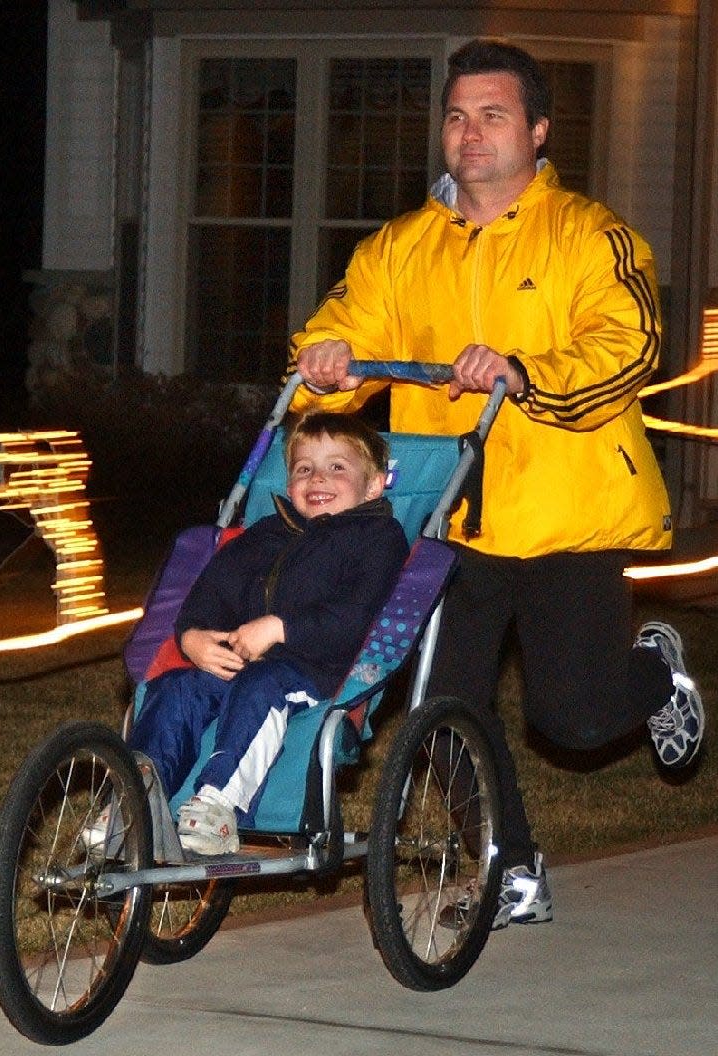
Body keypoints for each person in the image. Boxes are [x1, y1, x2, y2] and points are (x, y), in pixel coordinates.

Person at [290, 39, 704, 927]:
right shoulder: (401, 247)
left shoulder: (592, 236)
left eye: (492, 114)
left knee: (576, 719)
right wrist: (323, 356)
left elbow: (624, 346)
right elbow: (347, 321)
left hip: (567, 515)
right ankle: (508, 862)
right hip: (443, 520)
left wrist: (523, 367)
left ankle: (656, 678)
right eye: (454, 115)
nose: (468, 133)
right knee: (442, 708)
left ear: (538, 130)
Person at [114, 411, 410, 856]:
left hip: (319, 669)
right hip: (240, 658)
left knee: (262, 685)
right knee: (178, 688)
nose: (317, 478)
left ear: (372, 486)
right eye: (303, 468)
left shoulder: (377, 539)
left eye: (337, 467)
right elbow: (213, 589)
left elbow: (356, 617)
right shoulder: (268, 532)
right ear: (288, 482)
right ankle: (132, 801)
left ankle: (219, 804)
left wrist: (280, 628)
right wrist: (193, 636)